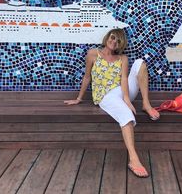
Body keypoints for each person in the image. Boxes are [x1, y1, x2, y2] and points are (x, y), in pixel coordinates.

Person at [64, 28, 160, 178]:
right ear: (108, 37)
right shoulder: (93, 54)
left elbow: (123, 80)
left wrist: (127, 99)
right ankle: (133, 159)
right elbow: (87, 77)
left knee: (140, 63)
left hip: (122, 91)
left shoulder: (123, 58)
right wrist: (79, 98)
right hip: (106, 96)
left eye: (118, 41)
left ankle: (146, 104)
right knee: (126, 114)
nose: (114, 41)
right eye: (113, 37)